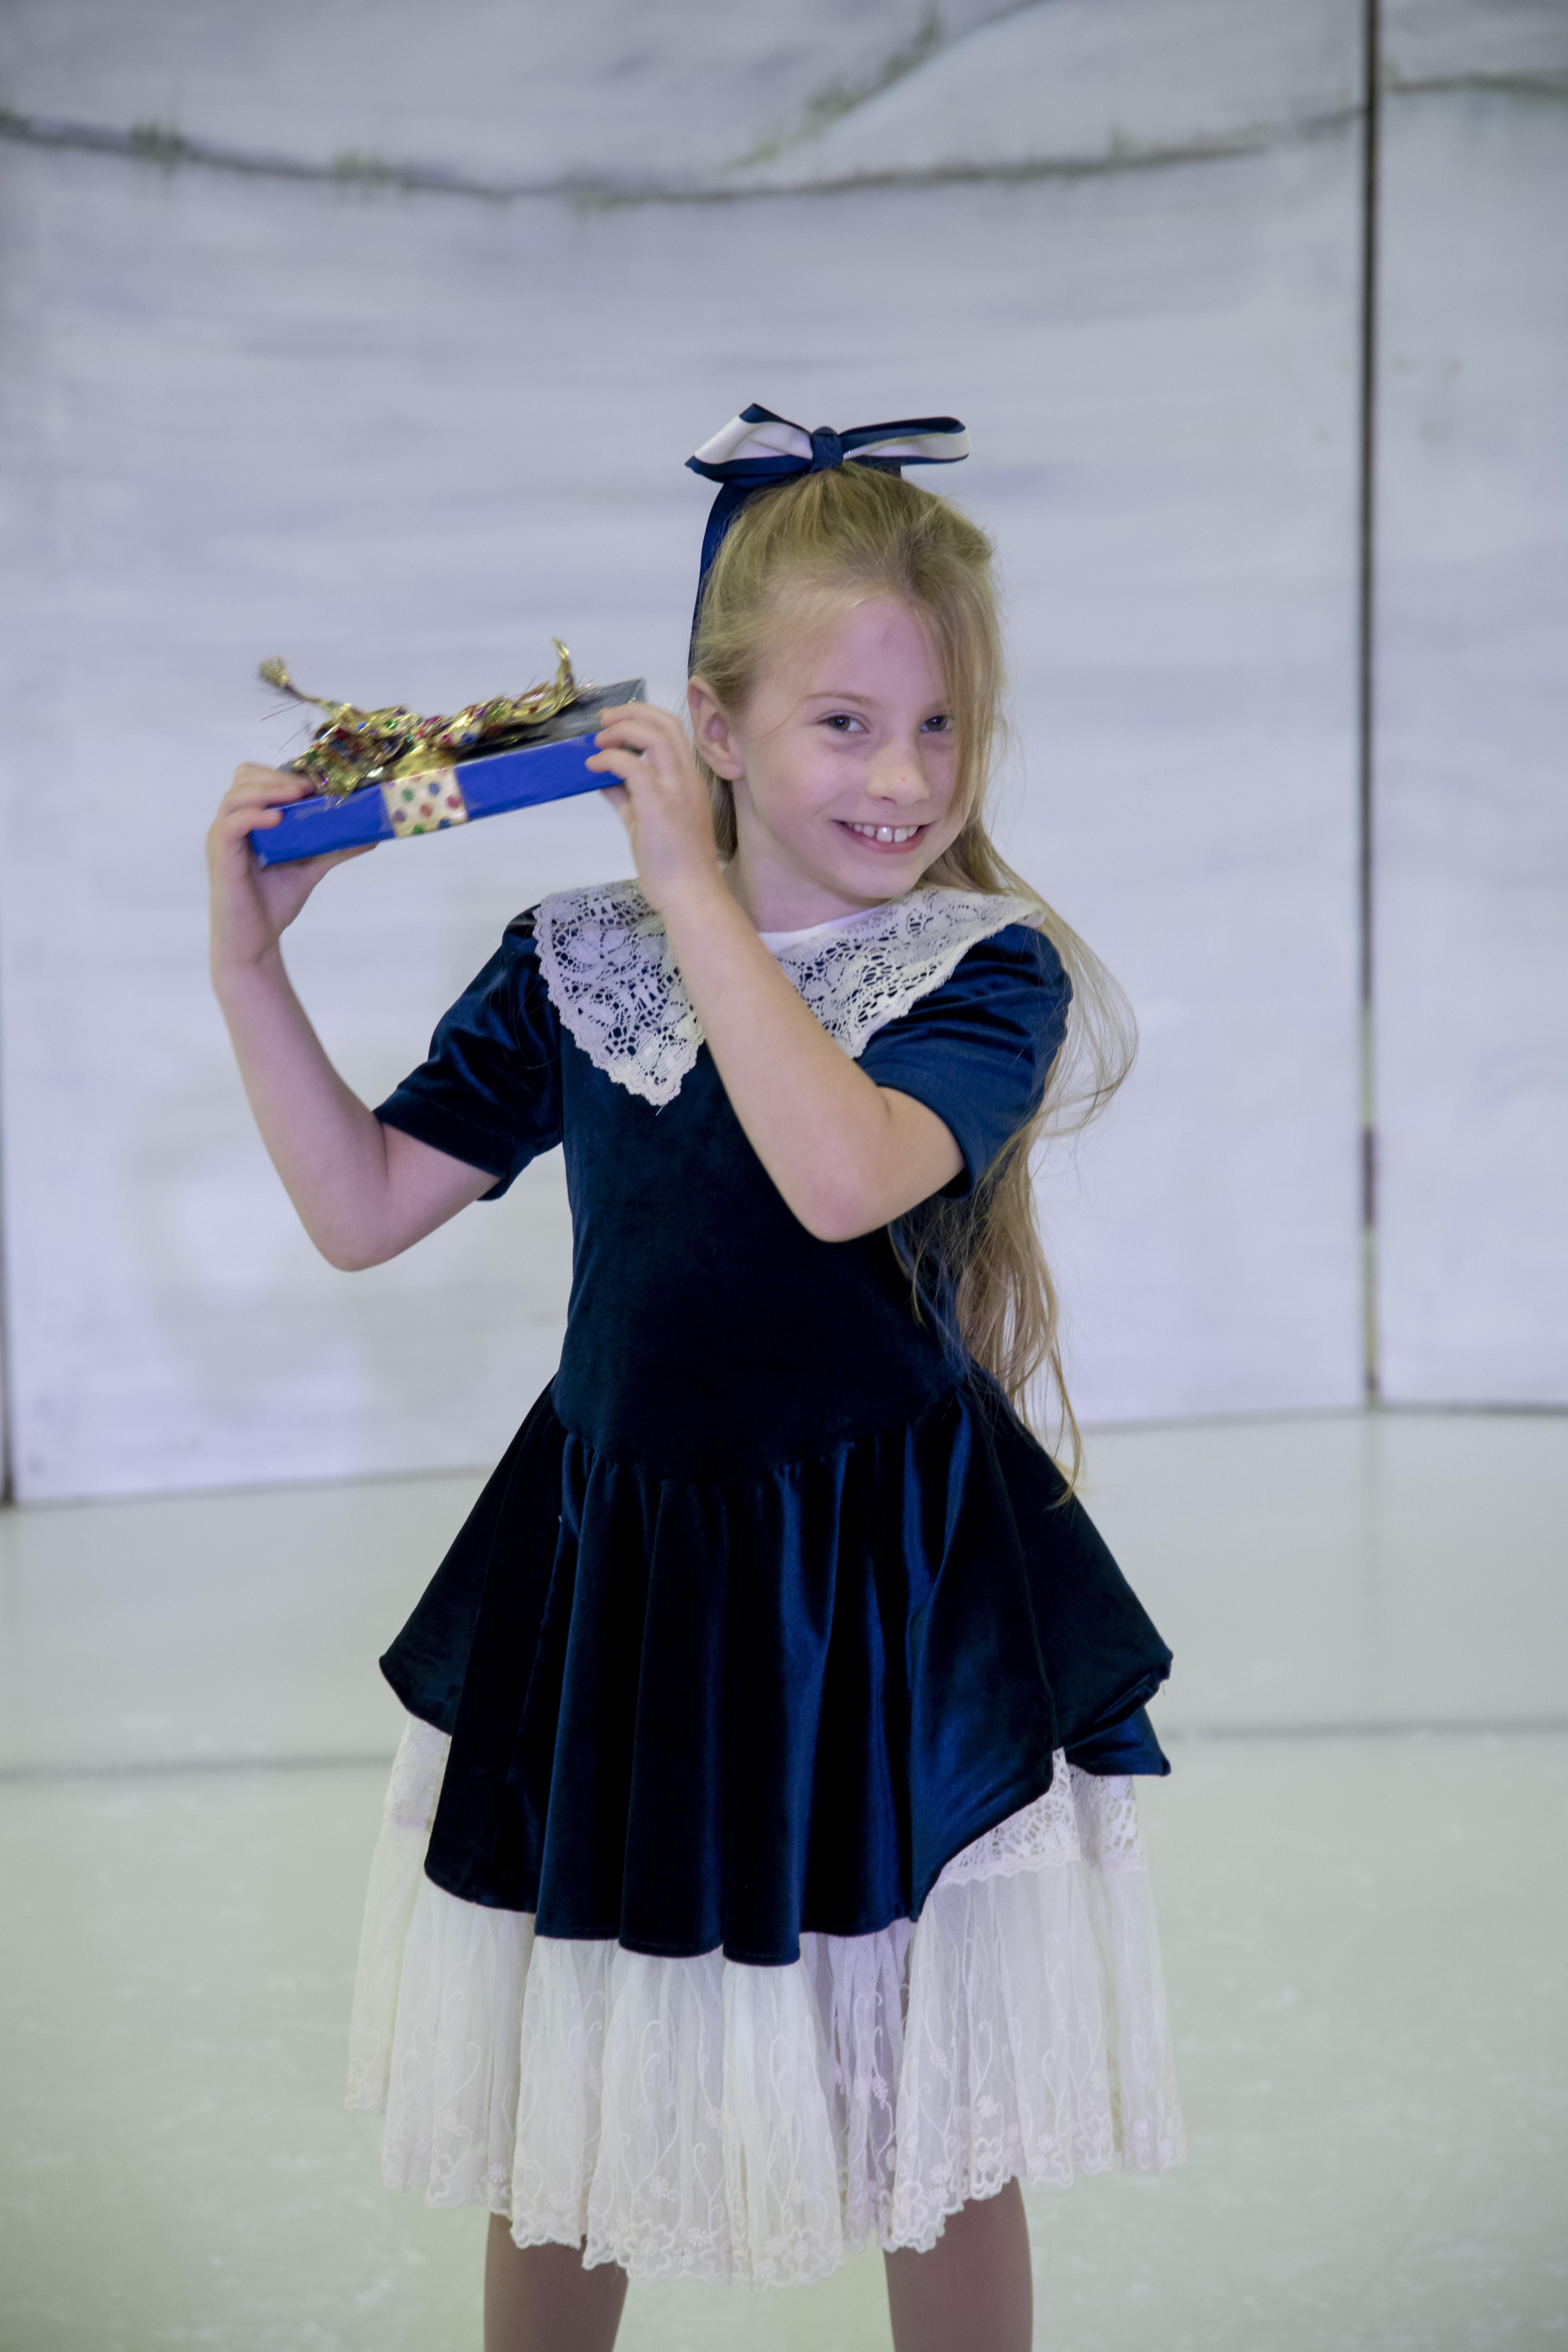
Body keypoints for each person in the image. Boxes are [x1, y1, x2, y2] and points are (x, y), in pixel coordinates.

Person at [207, 406, 1185, 2352]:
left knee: (932, 2113)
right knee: (575, 2097)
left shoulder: (984, 969)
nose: (905, 777)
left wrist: (699, 898)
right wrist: (250, 964)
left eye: (941, 725)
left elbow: (839, 1176)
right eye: (846, 722)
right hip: (621, 1581)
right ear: (717, 729)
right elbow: (363, 1206)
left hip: (885, 1593)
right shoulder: (579, 955)